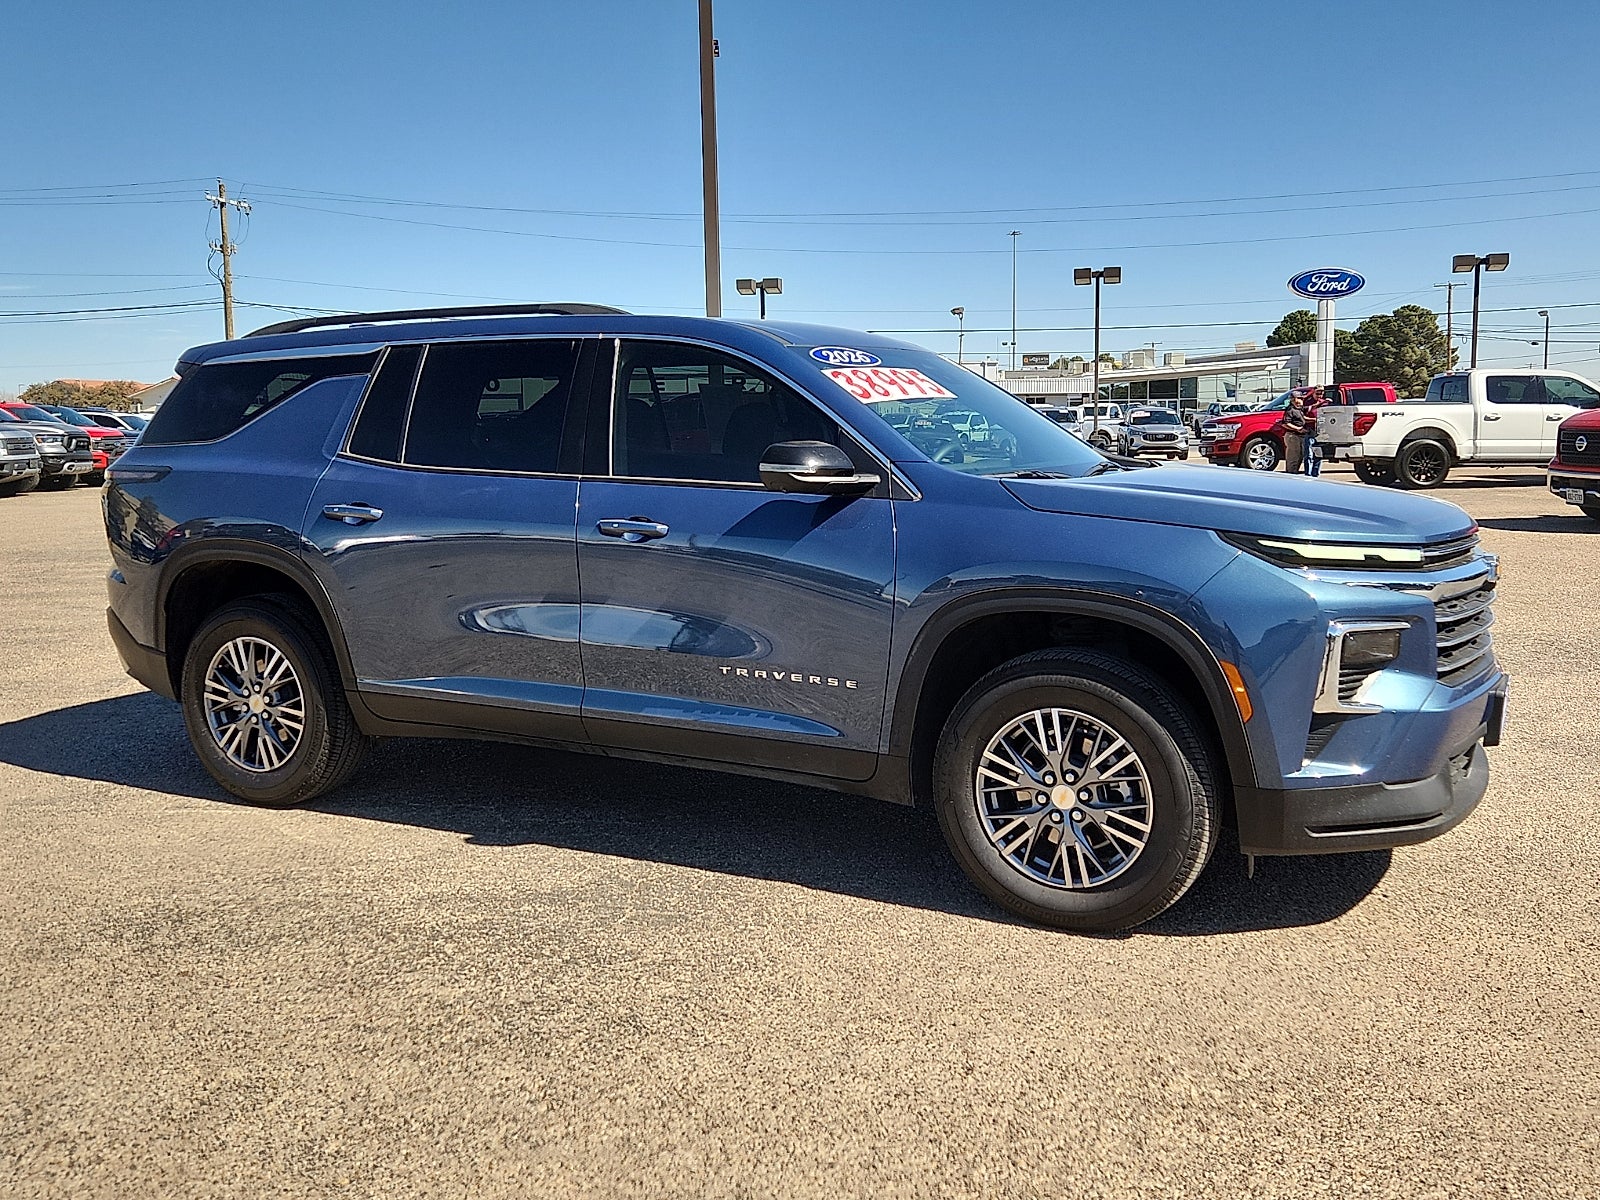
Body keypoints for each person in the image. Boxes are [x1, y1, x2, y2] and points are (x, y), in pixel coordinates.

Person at [1282, 391, 1310, 474]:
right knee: (1293, 458)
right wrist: (1298, 429)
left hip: (1300, 436)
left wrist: (1313, 420)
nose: (1301, 400)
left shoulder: (1298, 409)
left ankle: (1294, 473)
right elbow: (1285, 423)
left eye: (1302, 398)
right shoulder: (1290, 409)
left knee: (1299, 457)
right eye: (1299, 398)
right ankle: (1291, 475)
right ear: (1293, 399)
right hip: (1292, 436)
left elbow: (1303, 418)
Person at [1302, 387, 1323, 477]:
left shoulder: (1325, 403)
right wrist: (1314, 419)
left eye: (1321, 393)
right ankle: (1308, 473)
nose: (1319, 395)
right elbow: (1302, 417)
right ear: (1313, 393)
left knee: (1318, 455)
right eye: (1317, 393)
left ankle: (1316, 474)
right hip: (1310, 431)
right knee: (1309, 455)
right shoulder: (1307, 403)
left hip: (1321, 433)